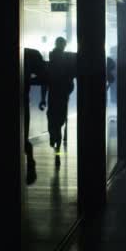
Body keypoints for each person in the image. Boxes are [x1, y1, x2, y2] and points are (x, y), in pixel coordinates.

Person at [40, 37, 77, 166]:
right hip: (62, 98)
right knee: (59, 124)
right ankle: (57, 152)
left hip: (53, 97)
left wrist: (43, 99)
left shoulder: (51, 62)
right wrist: (67, 92)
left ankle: (54, 142)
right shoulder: (68, 63)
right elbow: (71, 83)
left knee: (53, 122)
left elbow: (45, 83)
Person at [24, 48, 48, 185]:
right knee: (23, 137)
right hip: (22, 101)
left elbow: (44, 77)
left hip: (21, 102)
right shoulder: (31, 54)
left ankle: (31, 161)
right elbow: (44, 77)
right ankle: (30, 161)